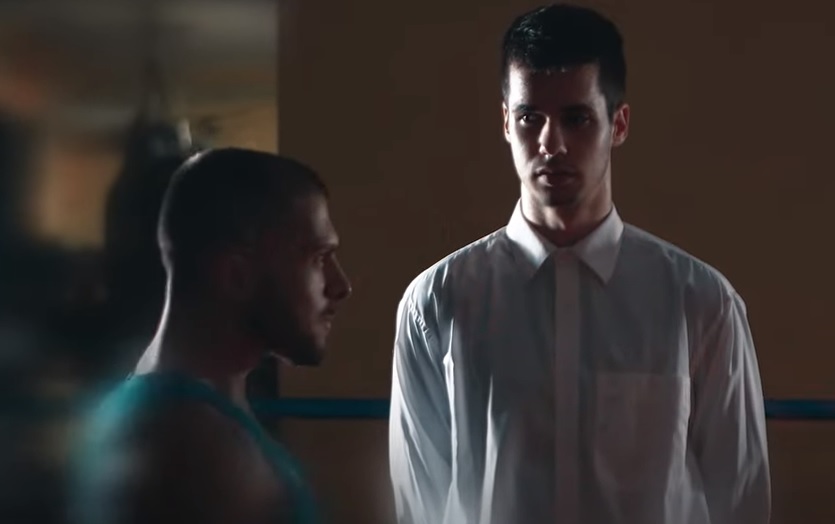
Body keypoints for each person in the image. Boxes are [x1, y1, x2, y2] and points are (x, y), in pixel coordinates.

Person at [387, 4, 771, 524]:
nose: (552, 143)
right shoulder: (437, 304)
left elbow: (740, 501)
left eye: (576, 117)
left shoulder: (700, 302)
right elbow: (421, 505)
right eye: (530, 118)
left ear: (619, 124)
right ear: (506, 123)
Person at [69, 148, 353, 524]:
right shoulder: (194, 446)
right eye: (317, 258)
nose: (340, 285)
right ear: (236, 274)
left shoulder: (187, 410)